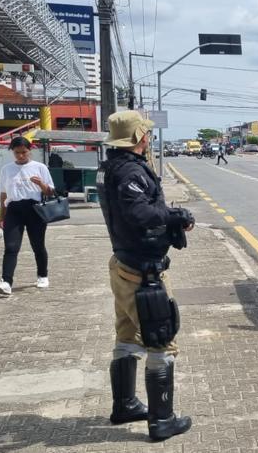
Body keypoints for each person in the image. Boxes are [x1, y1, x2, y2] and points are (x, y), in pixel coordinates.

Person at [97, 111, 195, 441]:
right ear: (138, 135)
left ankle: (125, 404)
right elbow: (139, 212)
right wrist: (174, 215)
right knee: (161, 340)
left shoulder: (112, 166)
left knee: (126, 335)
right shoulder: (128, 171)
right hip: (143, 273)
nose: (149, 137)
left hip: (125, 265)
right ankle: (162, 420)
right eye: (146, 133)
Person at [0, 136, 55, 296]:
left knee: (38, 245)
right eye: (17, 152)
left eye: (24, 152)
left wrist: (41, 184)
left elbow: (51, 191)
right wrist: (2, 216)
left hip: (35, 209)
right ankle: (6, 282)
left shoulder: (40, 167)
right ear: (12, 151)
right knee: (11, 247)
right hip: (14, 210)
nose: (20, 155)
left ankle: (42, 275)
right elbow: (3, 194)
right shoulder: (6, 169)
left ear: (30, 151)